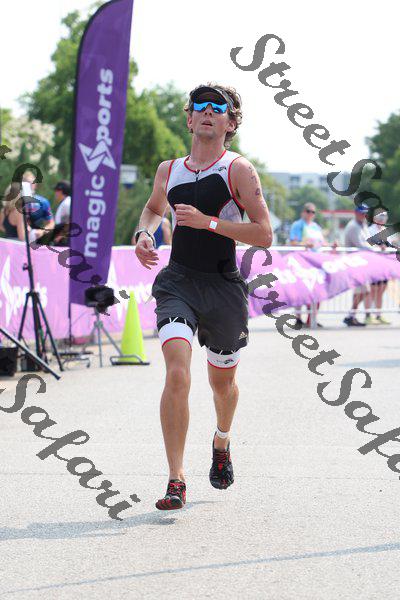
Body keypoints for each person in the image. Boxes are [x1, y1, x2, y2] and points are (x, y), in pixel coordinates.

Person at [134, 83, 272, 510]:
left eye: (218, 107)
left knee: (222, 386)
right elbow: (154, 208)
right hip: (178, 283)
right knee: (177, 372)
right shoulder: (168, 169)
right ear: (190, 118)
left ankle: (221, 440)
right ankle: (175, 479)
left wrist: (208, 222)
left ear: (231, 122)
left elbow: (264, 234)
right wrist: (143, 233)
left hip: (223, 287)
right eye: (200, 105)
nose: (208, 111)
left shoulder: (238, 170)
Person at [289, 203, 335, 328]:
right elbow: (293, 243)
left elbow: (323, 243)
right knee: (301, 290)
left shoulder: (316, 227)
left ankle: (312, 318)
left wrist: (331, 245)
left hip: (315, 262)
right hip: (301, 262)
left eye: (313, 212)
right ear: (303, 212)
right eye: (308, 211)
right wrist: (304, 244)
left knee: (316, 290)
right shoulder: (297, 225)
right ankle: (298, 319)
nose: (311, 214)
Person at [343, 203, 374, 326]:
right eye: (362, 213)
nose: (364, 215)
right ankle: (351, 316)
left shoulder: (363, 224)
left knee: (363, 291)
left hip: (361, 263)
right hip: (354, 263)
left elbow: (369, 241)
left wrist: (378, 246)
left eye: (365, 213)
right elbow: (361, 245)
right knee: (363, 290)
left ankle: (351, 316)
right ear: (356, 213)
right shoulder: (353, 226)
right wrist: (376, 249)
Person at [367, 206, 392, 325]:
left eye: (384, 216)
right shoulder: (370, 230)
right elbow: (368, 244)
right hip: (373, 264)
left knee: (381, 290)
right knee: (373, 290)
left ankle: (378, 314)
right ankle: (368, 315)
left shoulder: (386, 230)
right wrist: (378, 246)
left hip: (384, 265)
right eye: (381, 216)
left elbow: (390, 245)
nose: (383, 218)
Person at [53, 180, 71, 245]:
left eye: (56, 190)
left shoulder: (67, 203)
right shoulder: (65, 202)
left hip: (64, 241)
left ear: (60, 191)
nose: (55, 193)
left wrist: (60, 236)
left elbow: (72, 220)